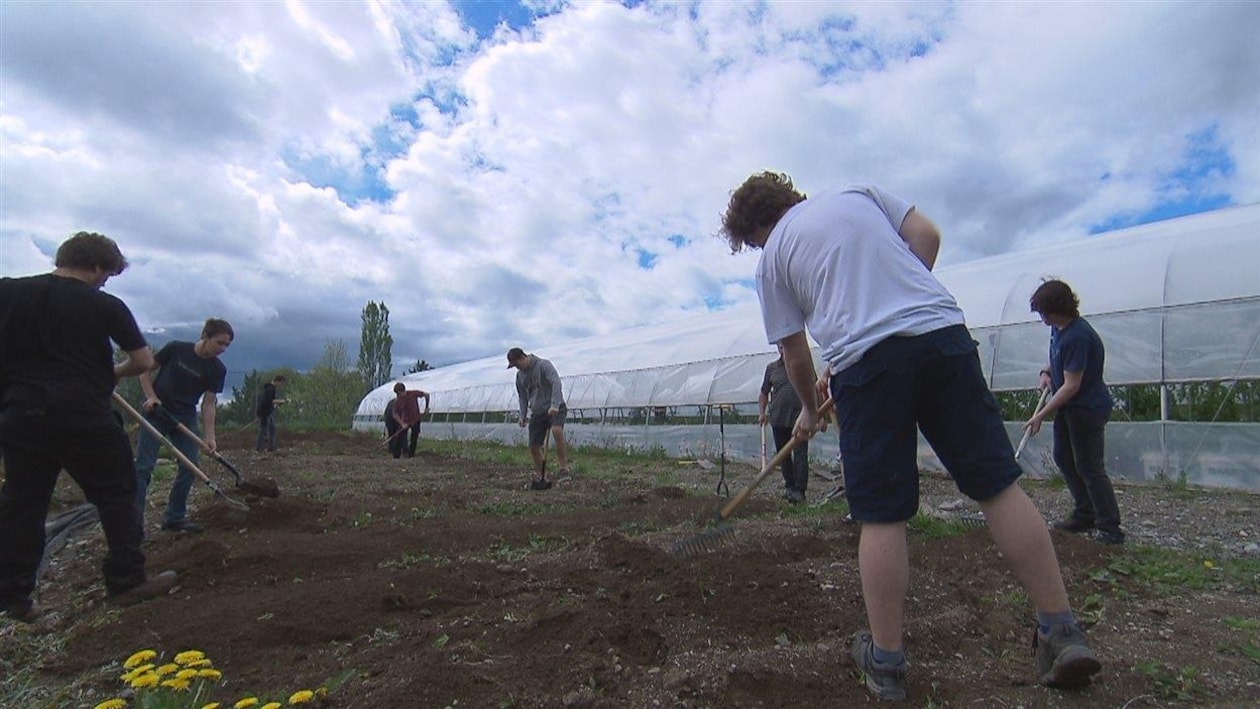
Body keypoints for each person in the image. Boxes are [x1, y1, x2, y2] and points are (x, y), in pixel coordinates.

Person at [720, 172, 1101, 701]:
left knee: (881, 514)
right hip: (942, 336)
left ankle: (887, 662)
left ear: (756, 228)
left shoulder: (774, 257)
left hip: (867, 364)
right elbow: (927, 237)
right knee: (997, 487)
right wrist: (895, 301)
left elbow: (794, 352)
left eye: (752, 242)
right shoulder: (856, 194)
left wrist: (809, 409)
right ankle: (1061, 630)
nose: (757, 248)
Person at [0, 232, 178, 621]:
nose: (105, 281)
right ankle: (127, 581)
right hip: (82, 412)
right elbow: (144, 361)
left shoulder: (8, 292)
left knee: (23, 505)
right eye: (107, 274)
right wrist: (111, 372)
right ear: (97, 266)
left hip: (20, 414)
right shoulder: (104, 305)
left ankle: (14, 598)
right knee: (117, 493)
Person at [1025, 279, 1125, 545]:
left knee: (1090, 467)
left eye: (1045, 313)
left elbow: (1071, 386)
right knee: (1064, 458)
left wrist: (1040, 415)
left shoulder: (1078, 336)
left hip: (1087, 410)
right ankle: (1085, 513)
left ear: (1060, 308)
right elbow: (1057, 357)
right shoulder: (1059, 329)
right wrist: (1046, 372)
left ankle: (1110, 527)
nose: (1043, 319)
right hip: (1069, 410)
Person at [134, 318, 233, 534]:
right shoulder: (176, 349)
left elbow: (208, 404)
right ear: (205, 337)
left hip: (185, 416)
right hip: (157, 412)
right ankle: (133, 525)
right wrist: (150, 397)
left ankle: (174, 518)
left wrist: (210, 437)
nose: (223, 349)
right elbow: (144, 371)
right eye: (220, 342)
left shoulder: (217, 370)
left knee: (190, 467)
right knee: (143, 467)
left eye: (227, 345)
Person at [507, 347, 569, 488]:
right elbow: (523, 397)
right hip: (537, 411)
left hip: (555, 406)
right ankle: (542, 475)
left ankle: (564, 469)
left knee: (556, 430)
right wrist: (523, 415)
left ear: (523, 357)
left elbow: (556, 383)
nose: (517, 368)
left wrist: (554, 405)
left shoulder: (543, 365)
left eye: (517, 364)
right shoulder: (520, 377)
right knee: (534, 446)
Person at [759, 343, 809, 503]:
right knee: (784, 455)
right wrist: (762, 413)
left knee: (800, 455)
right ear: (778, 349)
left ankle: (800, 490)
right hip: (779, 419)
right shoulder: (772, 368)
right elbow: (764, 393)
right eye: (781, 347)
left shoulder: (803, 364)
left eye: (786, 346)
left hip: (799, 419)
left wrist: (817, 414)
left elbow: (814, 387)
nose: (783, 349)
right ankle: (790, 487)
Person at [389, 382, 430, 459]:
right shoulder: (397, 401)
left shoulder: (413, 394)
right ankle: (396, 457)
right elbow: (394, 414)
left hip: (416, 419)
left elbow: (427, 395)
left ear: (402, 391)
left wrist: (427, 407)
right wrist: (402, 423)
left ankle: (411, 456)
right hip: (405, 421)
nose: (397, 396)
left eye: (398, 393)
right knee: (399, 438)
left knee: (414, 438)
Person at [254, 374, 287, 453]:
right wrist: (281, 401)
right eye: (281, 383)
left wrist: (275, 404)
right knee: (263, 431)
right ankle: (258, 449)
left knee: (273, 429)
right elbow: (268, 401)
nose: (281, 386)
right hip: (264, 413)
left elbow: (269, 402)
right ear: (278, 381)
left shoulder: (270, 388)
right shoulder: (270, 389)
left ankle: (271, 448)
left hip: (267, 412)